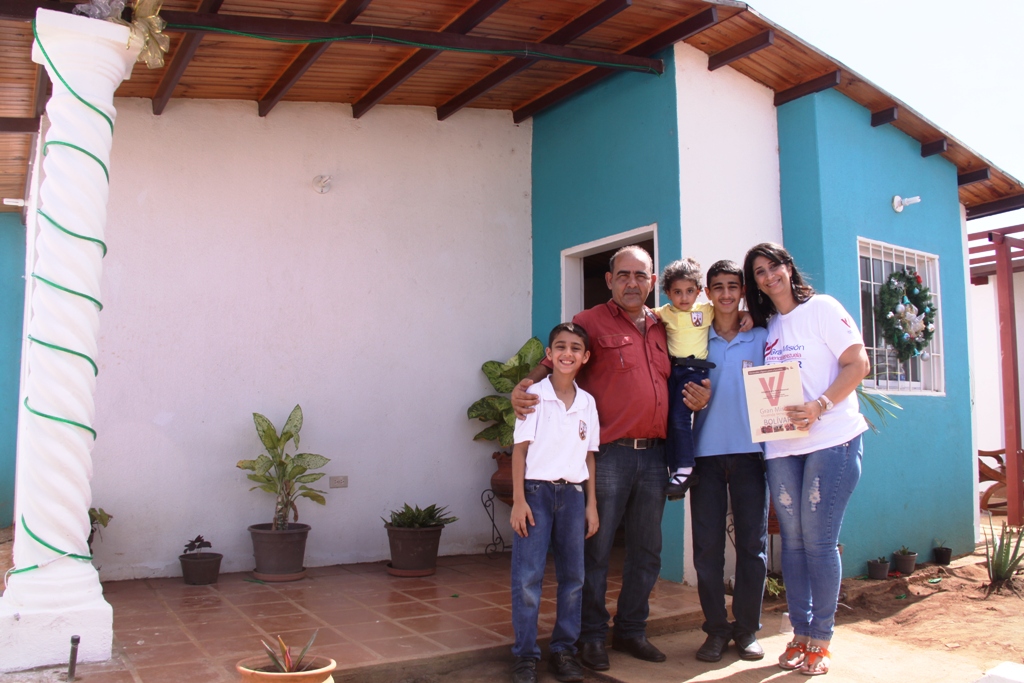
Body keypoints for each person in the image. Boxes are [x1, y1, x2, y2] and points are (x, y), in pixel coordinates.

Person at [512, 245, 710, 672]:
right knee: (597, 551)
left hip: (656, 456)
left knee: (647, 549)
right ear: (609, 280)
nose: (631, 283)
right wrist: (524, 386)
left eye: (640, 276)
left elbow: (692, 359)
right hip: (609, 456)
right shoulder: (590, 322)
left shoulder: (663, 324)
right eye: (623, 275)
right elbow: (553, 361)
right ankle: (591, 636)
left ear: (652, 282)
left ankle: (632, 630)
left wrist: (702, 393)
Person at [743, 242, 870, 677]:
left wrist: (819, 406)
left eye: (773, 265)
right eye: (759, 272)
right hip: (782, 447)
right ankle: (800, 633)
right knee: (793, 545)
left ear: (788, 267)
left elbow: (858, 364)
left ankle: (822, 638)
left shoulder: (823, 309)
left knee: (818, 542)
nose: (769, 275)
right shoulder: (769, 327)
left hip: (831, 440)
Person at [509, 322, 601, 683]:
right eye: (560, 347)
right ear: (549, 354)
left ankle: (564, 650)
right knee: (528, 577)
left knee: (573, 578)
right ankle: (525, 655)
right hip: (536, 494)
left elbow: (589, 455)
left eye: (575, 348)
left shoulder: (587, 402)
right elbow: (519, 452)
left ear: (585, 356)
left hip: (574, 495)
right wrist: (518, 500)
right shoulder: (534, 395)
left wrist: (591, 504)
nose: (567, 353)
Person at [689, 260, 769, 663]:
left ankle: (747, 629)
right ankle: (717, 630)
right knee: (707, 550)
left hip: (751, 455)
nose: (725, 293)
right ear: (708, 292)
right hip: (705, 456)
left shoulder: (761, 335)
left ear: (742, 291)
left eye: (732, 286)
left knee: (753, 547)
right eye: (717, 286)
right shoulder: (697, 337)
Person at [652, 258, 715, 500]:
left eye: (689, 291)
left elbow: (733, 313)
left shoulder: (706, 311)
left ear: (698, 291)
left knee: (680, 417)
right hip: (673, 370)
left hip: (695, 371)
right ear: (668, 293)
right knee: (668, 419)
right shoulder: (664, 313)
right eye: (677, 292)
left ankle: (687, 468)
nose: (684, 297)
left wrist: (747, 316)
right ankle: (675, 470)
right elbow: (642, 316)